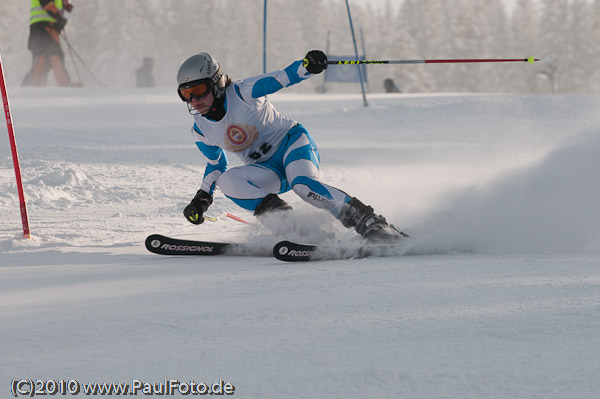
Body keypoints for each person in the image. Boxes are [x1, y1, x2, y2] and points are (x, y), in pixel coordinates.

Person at [178, 51, 407, 242]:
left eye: (198, 90)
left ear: (216, 83)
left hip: (292, 145)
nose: (194, 101)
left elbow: (282, 77)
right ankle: (293, 227)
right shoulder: (200, 130)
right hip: (267, 169)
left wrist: (307, 65)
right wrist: (201, 199)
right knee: (227, 180)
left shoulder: (243, 92)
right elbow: (216, 165)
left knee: (303, 187)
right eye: (186, 94)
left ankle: (370, 223)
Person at [22, 0, 74, 87]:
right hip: (41, 27)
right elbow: (46, 2)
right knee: (45, 58)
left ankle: (31, 87)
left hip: (50, 28)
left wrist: (65, 5)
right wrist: (58, 16)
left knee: (50, 59)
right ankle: (33, 88)